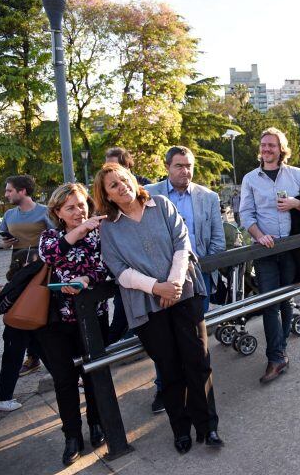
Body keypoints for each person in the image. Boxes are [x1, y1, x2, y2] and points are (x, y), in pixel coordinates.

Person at [94, 163, 222, 454]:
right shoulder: (109, 229)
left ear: (132, 179)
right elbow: (119, 270)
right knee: (169, 368)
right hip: (147, 305)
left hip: (184, 294)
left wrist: (173, 284)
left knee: (197, 360)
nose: (121, 186)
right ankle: (181, 429)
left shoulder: (161, 205)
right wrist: (156, 287)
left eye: (124, 179)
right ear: (107, 195)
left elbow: (182, 243)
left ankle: (208, 425)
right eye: (113, 185)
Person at [145, 146, 225, 412]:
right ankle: (164, 389)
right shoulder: (149, 194)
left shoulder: (208, 197)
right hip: (161, 282)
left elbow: (217, 239)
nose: (185, 171)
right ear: (167, 167)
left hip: (196, 279)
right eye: (179, 166)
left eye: (189, 165)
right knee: (165, 341)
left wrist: (205, 271)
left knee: (195, 340)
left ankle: (198, 390)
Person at [36, 183, 110, 466]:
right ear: (58, 212)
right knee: (65, 379)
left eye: (82, 205)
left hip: (92, 316)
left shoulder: (100, 235)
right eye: (71, 207)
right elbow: (51, 255)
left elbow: (106, 266)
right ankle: (72, 436)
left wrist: (86, 280)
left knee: (93, 373)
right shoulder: (49, 236)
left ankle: (97, 423)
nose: (79, 211)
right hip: (55, 321)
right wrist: (81, 230)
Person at [239, 127, 300, 383]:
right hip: (266, 250)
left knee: (285, 300)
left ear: (281, 149)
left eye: (272, 145)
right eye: (263, 145)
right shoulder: (250, 178)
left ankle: (280, 352)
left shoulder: (296, 174)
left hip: (292, 249)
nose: (267, 149)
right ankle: (275, 357)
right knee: (269, 303)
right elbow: (246, 214)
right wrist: (259, 235)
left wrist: (296, 203)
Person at [0, 175, 53, 413]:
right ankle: (71, 373)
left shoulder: (45, 211)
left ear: (22, 191)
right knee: (29, 327)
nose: (7, 195)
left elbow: (56, 237)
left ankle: (67, 372)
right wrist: (8, 243)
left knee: (31, 327)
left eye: (9, 191)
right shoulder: (9, 216)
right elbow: (4, 238)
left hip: (40, 269)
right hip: (17, 270)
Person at [104, 147, 150, 345]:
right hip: (126, 271)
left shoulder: (148, 188)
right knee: (122, 315)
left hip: (152, 268)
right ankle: (108, 349)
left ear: (126, 166)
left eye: (114, 165)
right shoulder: (107, 203)